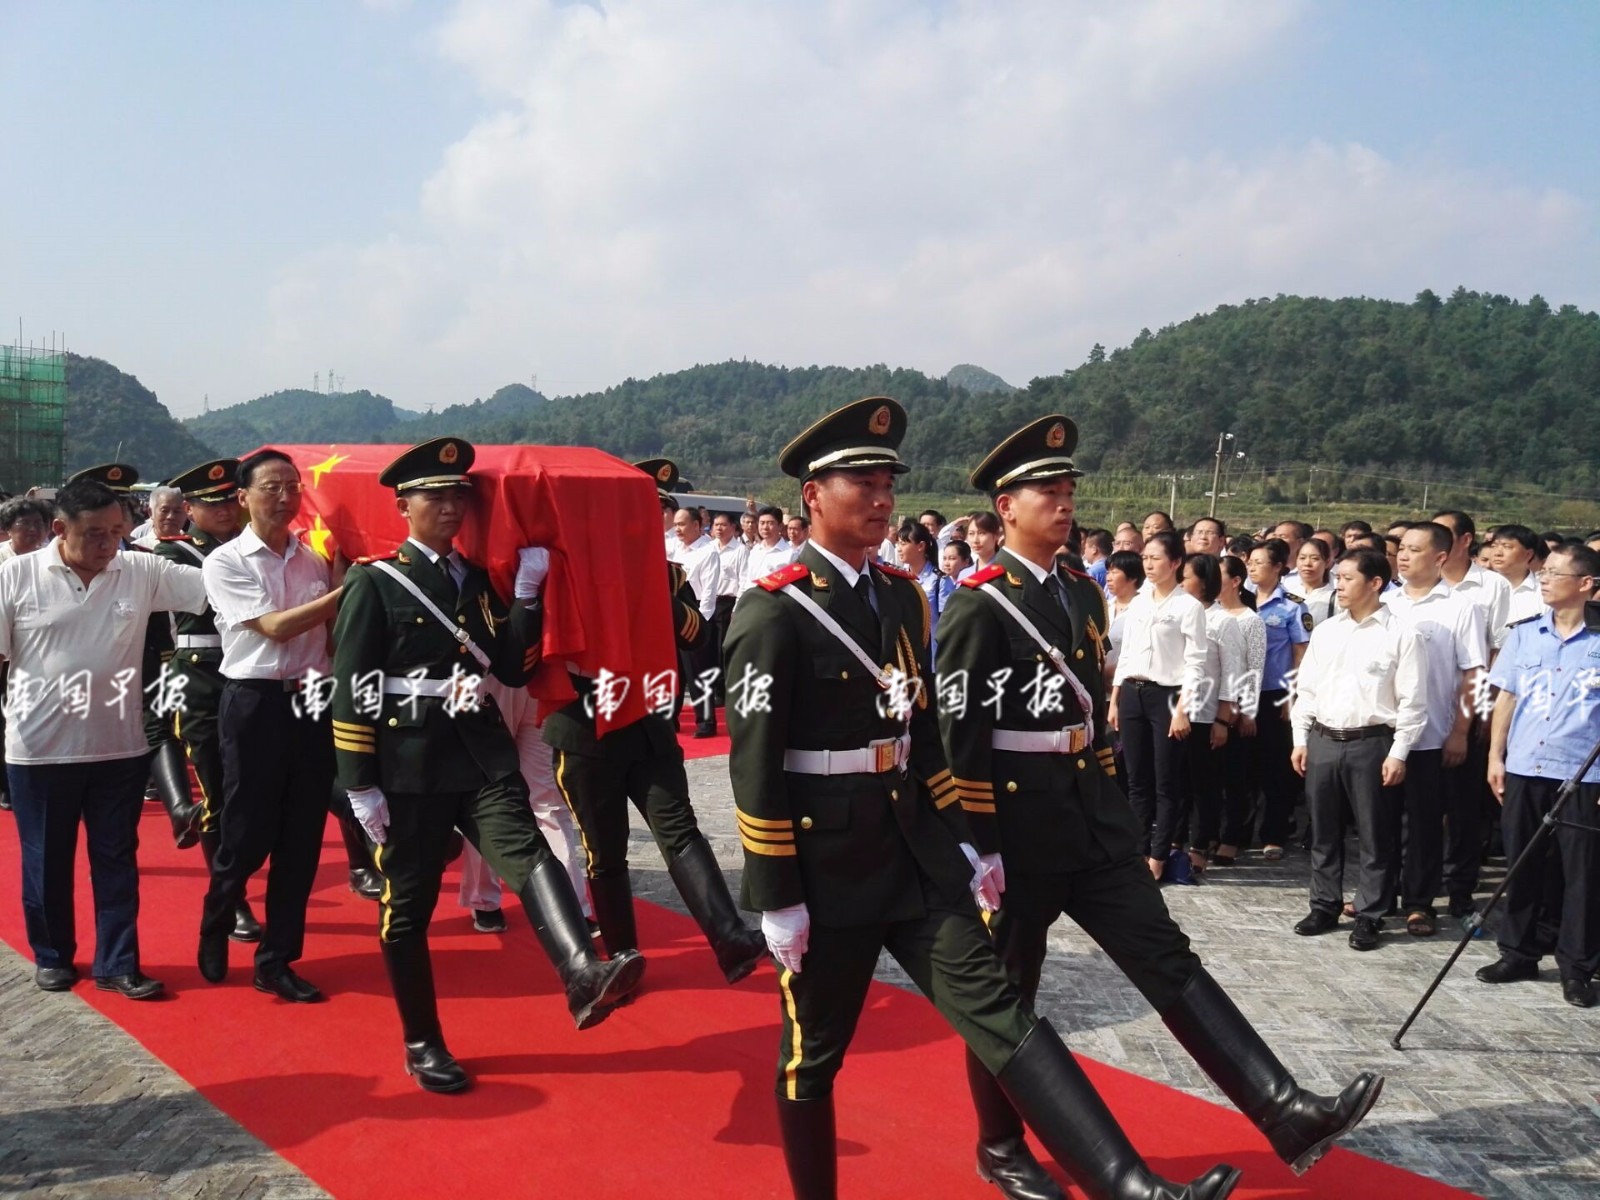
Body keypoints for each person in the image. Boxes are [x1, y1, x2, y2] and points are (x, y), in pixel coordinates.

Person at [727, 398, 1243, 1200]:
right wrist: (776, 895)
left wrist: (963, 838)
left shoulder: (901, 597)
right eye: (858, 480)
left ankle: (1129, 1187)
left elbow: (923, 733)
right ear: (812, 496)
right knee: (812, 1054)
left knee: (1002, 1011)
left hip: (914, 852)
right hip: (825, 865)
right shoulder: (774, 608)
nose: (879, 496)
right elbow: (753, 763)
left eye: (886, 481)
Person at [937, 416, 1382, 1200]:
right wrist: (978, 847)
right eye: (1047, 491)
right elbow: (956, 734)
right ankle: (1001, 1146)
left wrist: (1111, 800)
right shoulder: (978, 604)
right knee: (1010, 995)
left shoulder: (1078, 589)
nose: (1063, 502)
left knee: (1167, 957)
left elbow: (1088, 710)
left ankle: (1284, 1111)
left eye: (1069, 490)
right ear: (1005, 507)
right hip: (1017, 829)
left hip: (1091, 821)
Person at [331, 437, 644, 1092]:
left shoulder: (476, 581)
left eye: (458, 497)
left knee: (528, 853)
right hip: (408, 763)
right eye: (434, 496)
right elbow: (353, 686)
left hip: (477, 748)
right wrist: (359, 784)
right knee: (408, 908)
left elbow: (507, 665)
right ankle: (422, 1042)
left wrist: (527, 596)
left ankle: (581, 971)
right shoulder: (374, 581)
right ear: (403, 505)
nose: (449, 507)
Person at [1, 478, 208, 999]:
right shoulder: (16, 576)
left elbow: (218, 586)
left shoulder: (138, 570)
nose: (108, 544)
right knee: (46, 859)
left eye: (116, 531)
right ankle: (53, 955)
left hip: (119, 747)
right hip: (39, 750)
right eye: (94, 533)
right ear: (59, 529)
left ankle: (119, 963)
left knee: (116, 859)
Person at [542, 524, 766, 991]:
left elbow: (697, 636)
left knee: (679, 827)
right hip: (587, 728)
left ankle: (730, 940)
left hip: (648, 726)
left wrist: (650, 595)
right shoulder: (565, 574)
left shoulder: (662, 575)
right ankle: (622, 958)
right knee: (606, 851)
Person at [196, 449, 343, 1003]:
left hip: (311, 703)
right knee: (247, 830)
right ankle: (218, 915)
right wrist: (344, 593)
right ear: (243, 497)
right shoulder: (226, 561)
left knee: (302, 838)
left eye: (292, 486)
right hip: (254, 703)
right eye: (270, 488)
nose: (284, 497)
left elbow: (324, 640)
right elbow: (276, 628)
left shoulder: (314, 560)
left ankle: (276, 959)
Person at [150, 459, 267, 943]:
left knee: (265, 787)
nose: (222, 509)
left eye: (228, 499)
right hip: (203, 680)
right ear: (190, 509)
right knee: (218, 792)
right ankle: (232, 895)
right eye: (209, 502)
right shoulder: (175, 556)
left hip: (257, 674)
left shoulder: (263, 547)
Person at [1480, 544, 1600, 1008]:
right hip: (1527, 766)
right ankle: (1519, 952)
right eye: (1543, 572)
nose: (1544, 579)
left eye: (1554, 573)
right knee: (1523, 863)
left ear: (1586, 584)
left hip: (1584, 773)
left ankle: (1577, 966)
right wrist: (1495, 756)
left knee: (1582, 874)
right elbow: (1506, 699)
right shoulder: (1525, 635)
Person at [1290, 549, 1428, 950]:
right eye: (1339, 576)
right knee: (1324, 830)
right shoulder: (1328, 631)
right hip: (1323, 739)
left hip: (1372, 743)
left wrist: (1399, 752)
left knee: (1375, 833)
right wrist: (1301, 739)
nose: (1340, 585)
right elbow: (1308, 690)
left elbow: (1413, 701)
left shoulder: (1402, 634)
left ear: (1375, 583)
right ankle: (1323, 904)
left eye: (1348, 578)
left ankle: (1370, 914)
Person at [1381, 522, 1485, 940]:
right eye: (1402, 548)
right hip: (1383, 733)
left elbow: (1473, 673)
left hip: (1432, 735)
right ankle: (1380, 894)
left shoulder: (1460, 608)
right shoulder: (1385, 602)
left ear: (1440, 557)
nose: (1404, 556)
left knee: (1423, 822)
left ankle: (1419, 902)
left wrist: (1460, 731)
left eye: (1415, 549)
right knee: (1380, 822)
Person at [1112, 531, 1208, 878]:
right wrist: (1116, 696)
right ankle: (1136, 852)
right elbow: (1127, 654)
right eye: (1146, 558)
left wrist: (1183, 708)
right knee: (1137, 780)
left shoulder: (1189, 607)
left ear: (1176, 562)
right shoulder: (1138, 602)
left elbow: (1196, 662)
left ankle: (1158, 856)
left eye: (1155, 558)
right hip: (1133, 693)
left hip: (1168, 696)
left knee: (1166, 780)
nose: (1149, 564)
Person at [1244, 539, 1310, 859]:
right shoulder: (1240, 598)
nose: (1252, 567)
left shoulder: (1293, 606)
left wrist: (1292, 696)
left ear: (1278, 567)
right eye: (1250, 562)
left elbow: (1300, 654)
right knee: (1242, 767)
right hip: (1241, 692)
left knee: (1275, 768)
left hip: (1275, 694)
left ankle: (1274, 834)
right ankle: (1239, 832)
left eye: (1260, 562)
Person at [1212, 555, 1266, 866]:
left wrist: (1248, 711)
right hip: (1209, 705)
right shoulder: (1209, 615)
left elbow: (1254, 668)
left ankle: (1232, 837)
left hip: (1236, 709)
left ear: (1235, 581)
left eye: (1220, 575)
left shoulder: (1250, 620)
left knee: (1235, 777)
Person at [669, 503, 721, 737]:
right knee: (673, 672)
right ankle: (670, 719)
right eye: (676, 524)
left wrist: (701, 625)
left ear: (697, 525)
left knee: (699, 673)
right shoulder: (672, 548)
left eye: (682, 524)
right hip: (673, 613)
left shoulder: (708, 551)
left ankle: (706, 721)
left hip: (695, 615)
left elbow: (709, 593)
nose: (677, 529)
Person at [895, 521, 954, 658]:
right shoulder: (897, 578)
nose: (898, 549)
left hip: (933, 654)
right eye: (898, 544)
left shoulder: (940, 580)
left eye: (903, 544)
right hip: (906, 654)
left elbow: (948, 622)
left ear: (921, 546)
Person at [1490, 524, 1544, 627]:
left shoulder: (1542, 593)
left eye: (1507, 547)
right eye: (1494, 546)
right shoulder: (1481, 588)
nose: (1497, 552)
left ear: (1528, 554)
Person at [742, 505, 796, 590]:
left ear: (780, 526)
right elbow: (746, 581)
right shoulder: (755, 551)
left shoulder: (791, 554)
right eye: (762, 523)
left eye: (770, 523)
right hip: (751, 600)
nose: (765, 527)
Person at [1294, 539, 1337, 628]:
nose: (1307, 563)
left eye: (1315, 558)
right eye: (1302, 558)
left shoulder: (1337, 599)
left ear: (1327, 562)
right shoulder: (1288, 595)